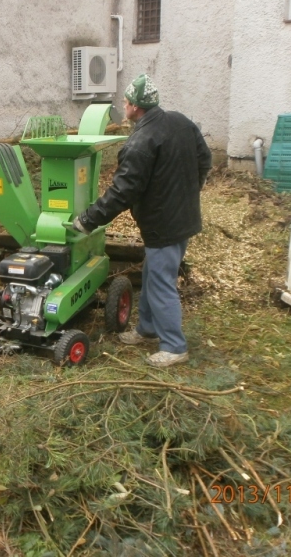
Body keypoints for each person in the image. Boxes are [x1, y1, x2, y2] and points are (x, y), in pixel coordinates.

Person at [73, 74, 211, 368]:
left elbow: (123, 191)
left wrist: (88, 220)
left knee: (161, 282)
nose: (123, 106)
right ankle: (148, 328)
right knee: (153, 272)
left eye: (125, 102)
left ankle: (174, 346)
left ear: (135, 106)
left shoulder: (140, 141)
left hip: (164, 223)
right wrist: (189, 192)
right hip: (180, 216)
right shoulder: (181, 122)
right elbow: (205, 158)